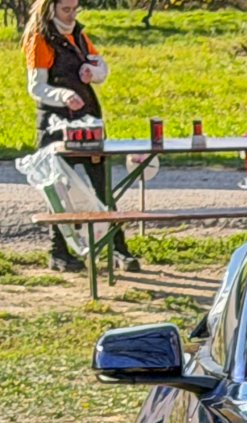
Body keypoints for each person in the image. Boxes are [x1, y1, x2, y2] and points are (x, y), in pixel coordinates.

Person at [22, 0, 138, 274]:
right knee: (60, 191)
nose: (72, 14)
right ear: (51, 8)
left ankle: (118, 248)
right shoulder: (39, 38)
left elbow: (102, 68)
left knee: (103, 187)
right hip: (55, 126)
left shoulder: (78, 35)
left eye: (75, 9)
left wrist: (93, 72)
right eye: (66, 9)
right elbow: (36, 87)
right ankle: (58, 252)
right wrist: (62, 95)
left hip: (87, 121)